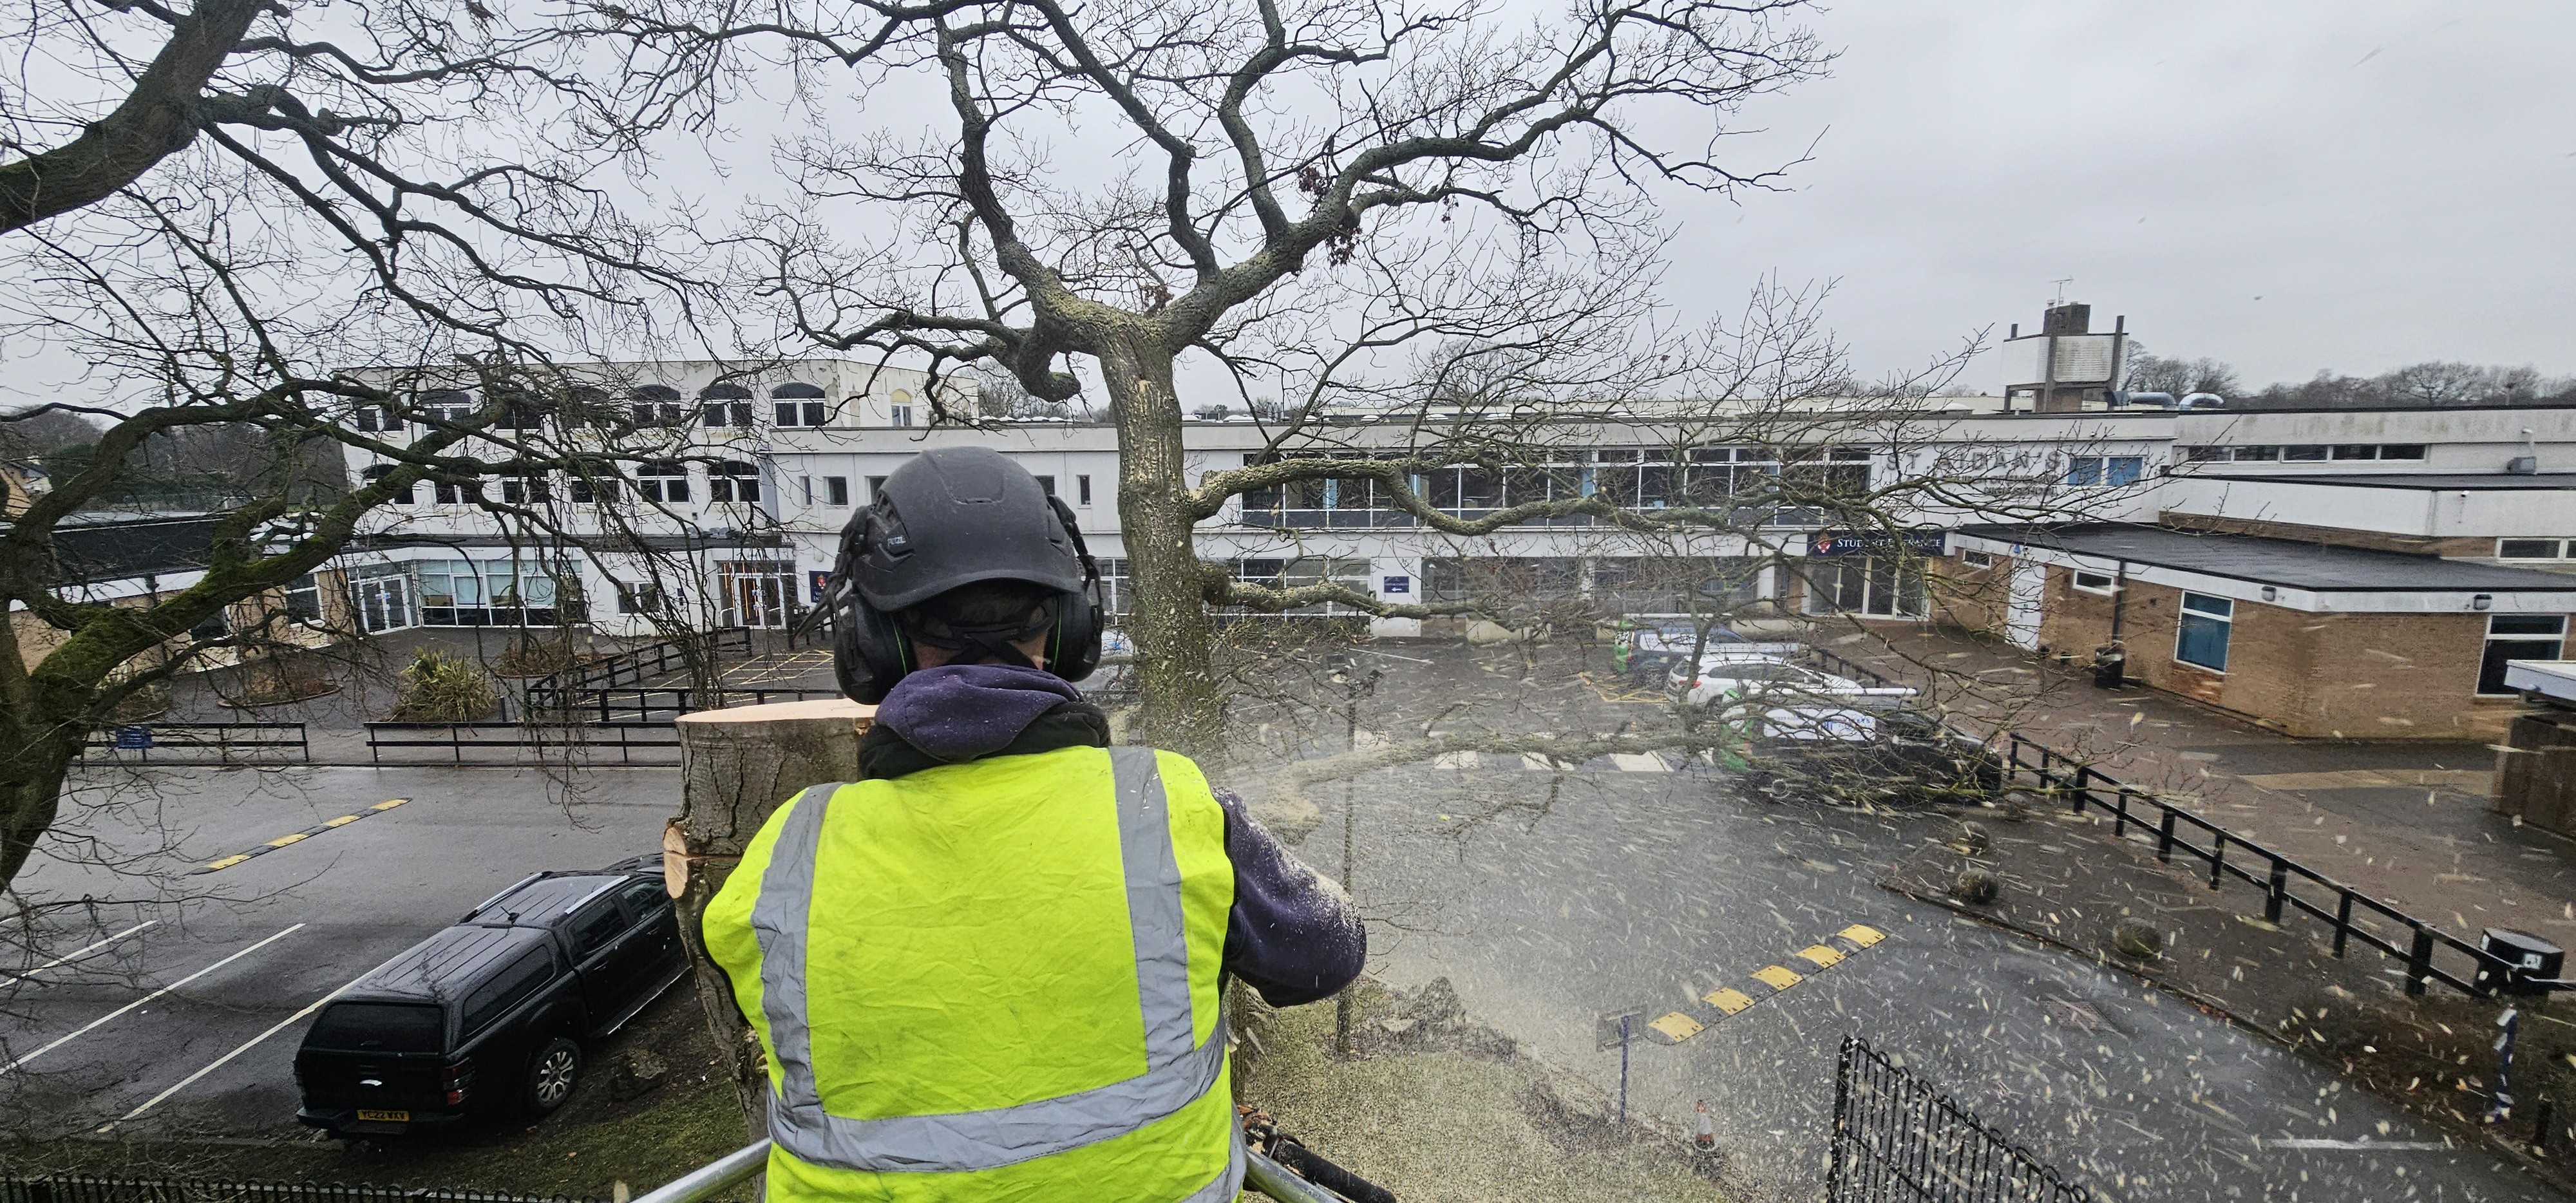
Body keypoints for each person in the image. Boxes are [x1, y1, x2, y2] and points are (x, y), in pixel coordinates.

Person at [702, 446, 1365, 1203]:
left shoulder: (783, 859)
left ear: (870, 642)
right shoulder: (1168, 807)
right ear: (1069, 628)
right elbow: (1332, 951)